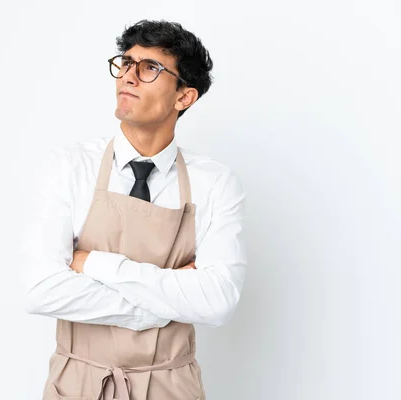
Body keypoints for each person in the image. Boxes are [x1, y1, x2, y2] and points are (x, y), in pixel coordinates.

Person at [22, 19, 247, 400]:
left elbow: (218, 301)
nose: (128, 76)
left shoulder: (215, 183)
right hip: (77, 384)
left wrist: (93, 264)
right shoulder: (72, 167)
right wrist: (160, 308)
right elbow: (41, 290)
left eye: (149, 68)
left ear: (183, 97)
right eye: (126, 63)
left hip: (170, 386)